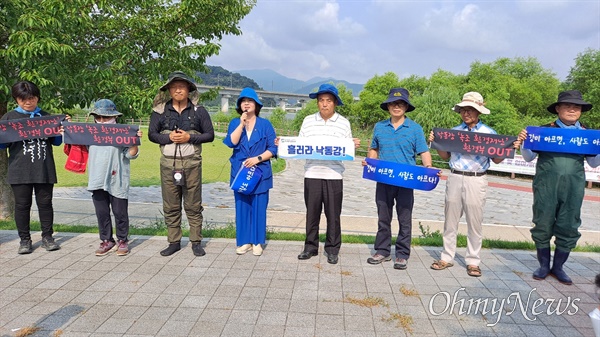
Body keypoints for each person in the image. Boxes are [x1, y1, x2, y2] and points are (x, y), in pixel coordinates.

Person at [517, 90, 600, 285]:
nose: (572, 109)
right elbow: (529, 157)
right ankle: (544, 266)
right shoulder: (543, 131)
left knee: (569, 224)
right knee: (543, 222)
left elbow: (594, 164)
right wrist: (524, 141)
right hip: (546, 186)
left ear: (581, 111)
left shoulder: (588, 135)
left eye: (577, 106)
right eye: (568, 105)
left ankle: (559, 267)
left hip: (574, 187)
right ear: (558, 108)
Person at [428, 92, 514, 277]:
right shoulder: (453, 132)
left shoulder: (489, 134)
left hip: (477, 178)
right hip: (455, 176)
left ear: (479, 112)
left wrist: (509, 147)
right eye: (463, 110)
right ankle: (446, 257)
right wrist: (437, 143)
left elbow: (497, 160)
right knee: (450, 220)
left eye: (471, 110)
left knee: (475, 222)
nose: (466, 113)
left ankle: (473, 261)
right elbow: (445, 156)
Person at [364, 87, 433, 270]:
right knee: (383, 217)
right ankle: (382, 251)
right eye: (393, 103)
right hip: (384, 179)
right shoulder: (379, 127)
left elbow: (424, 152)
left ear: (406, 107)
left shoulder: (415, 129)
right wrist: (369, 163)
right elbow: (374, 149)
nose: (397, 106)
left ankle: (402, 254)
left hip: (405, 180)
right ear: (388, 106)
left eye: (401, 103)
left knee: (404, 218)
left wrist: (428, 168)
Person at [148, 71, 215, 257]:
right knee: (170, 205)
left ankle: (196, 242)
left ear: (188, 89)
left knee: (194, 204)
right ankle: (174, 241)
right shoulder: (159, 111)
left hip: (192, 164)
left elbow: (209, 135)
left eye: (182, 86)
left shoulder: (199, 111)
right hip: (168, 165)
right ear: (169, 90)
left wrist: (189, 137)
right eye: (175, 86)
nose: (178, 90)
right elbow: (152, 135)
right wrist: (168, 137)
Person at [296, 84, 359, 265]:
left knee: (333, 215)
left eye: (328, 101)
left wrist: (351, 146)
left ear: (335, 103)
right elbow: (300, 145)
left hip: (334, 175)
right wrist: (284, 143)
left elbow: (347, 151)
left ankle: (332, 249)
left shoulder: (343, 123)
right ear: (317, 103)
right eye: (321, 100)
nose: (324, 104)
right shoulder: (308, 120)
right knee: (312, 213)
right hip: (312, 172)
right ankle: (310, 247)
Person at [0, 81, 62, 254]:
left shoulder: (46, 117)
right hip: (19, 170)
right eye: (23, 98)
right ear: (16, 99)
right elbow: (2, 146)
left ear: (37, 98)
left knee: (45, 204)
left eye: (32, 98)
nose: (28, 102)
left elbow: (56, 142)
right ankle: (24, 240)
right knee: (22, 205)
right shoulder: (9, 118)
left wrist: (60, 129)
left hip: (44, 168)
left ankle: (48, 237)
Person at [223, 88, 277, 256]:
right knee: (242, 206)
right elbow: (231, 142)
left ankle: (257, 242)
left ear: (256, 104)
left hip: (260, 172)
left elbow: (273, 148)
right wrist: (241, 124)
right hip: (240, 173)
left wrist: (258, 158)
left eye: (250, 100)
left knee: (259, 207)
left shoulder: (265, 124)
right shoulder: (234, 122)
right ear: (240, 105)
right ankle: (244, 241)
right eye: (243, 101)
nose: (246, 103)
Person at [86, 99, 141, 256]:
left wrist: (134, 141)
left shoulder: (123, 132)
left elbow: (130, 155)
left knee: (120, 211)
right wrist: (67, 130)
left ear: (115, 117)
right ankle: (106, 240)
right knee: (101, 211)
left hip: (117, 177)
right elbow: (77, 147)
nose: (102, 121)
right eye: (99, 117)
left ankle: (122, 240)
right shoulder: (90, 133)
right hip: (96, 177)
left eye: (106, 117)